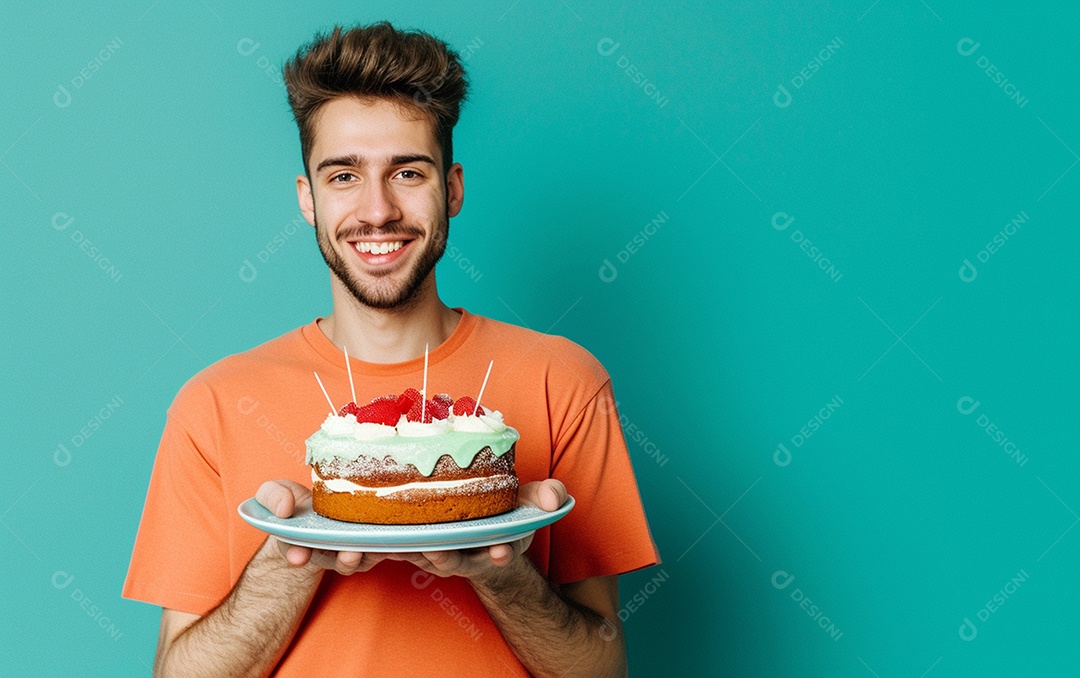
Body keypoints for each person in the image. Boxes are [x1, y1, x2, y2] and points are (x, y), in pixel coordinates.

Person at [123, 21, 658, 676]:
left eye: (407, 171)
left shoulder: (564, 380)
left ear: (452, 188)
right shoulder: (213, 403)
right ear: (308, 201)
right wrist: (292, 556)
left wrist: (500, 572)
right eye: (344, 175)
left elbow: (602, 670)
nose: (377, 211)